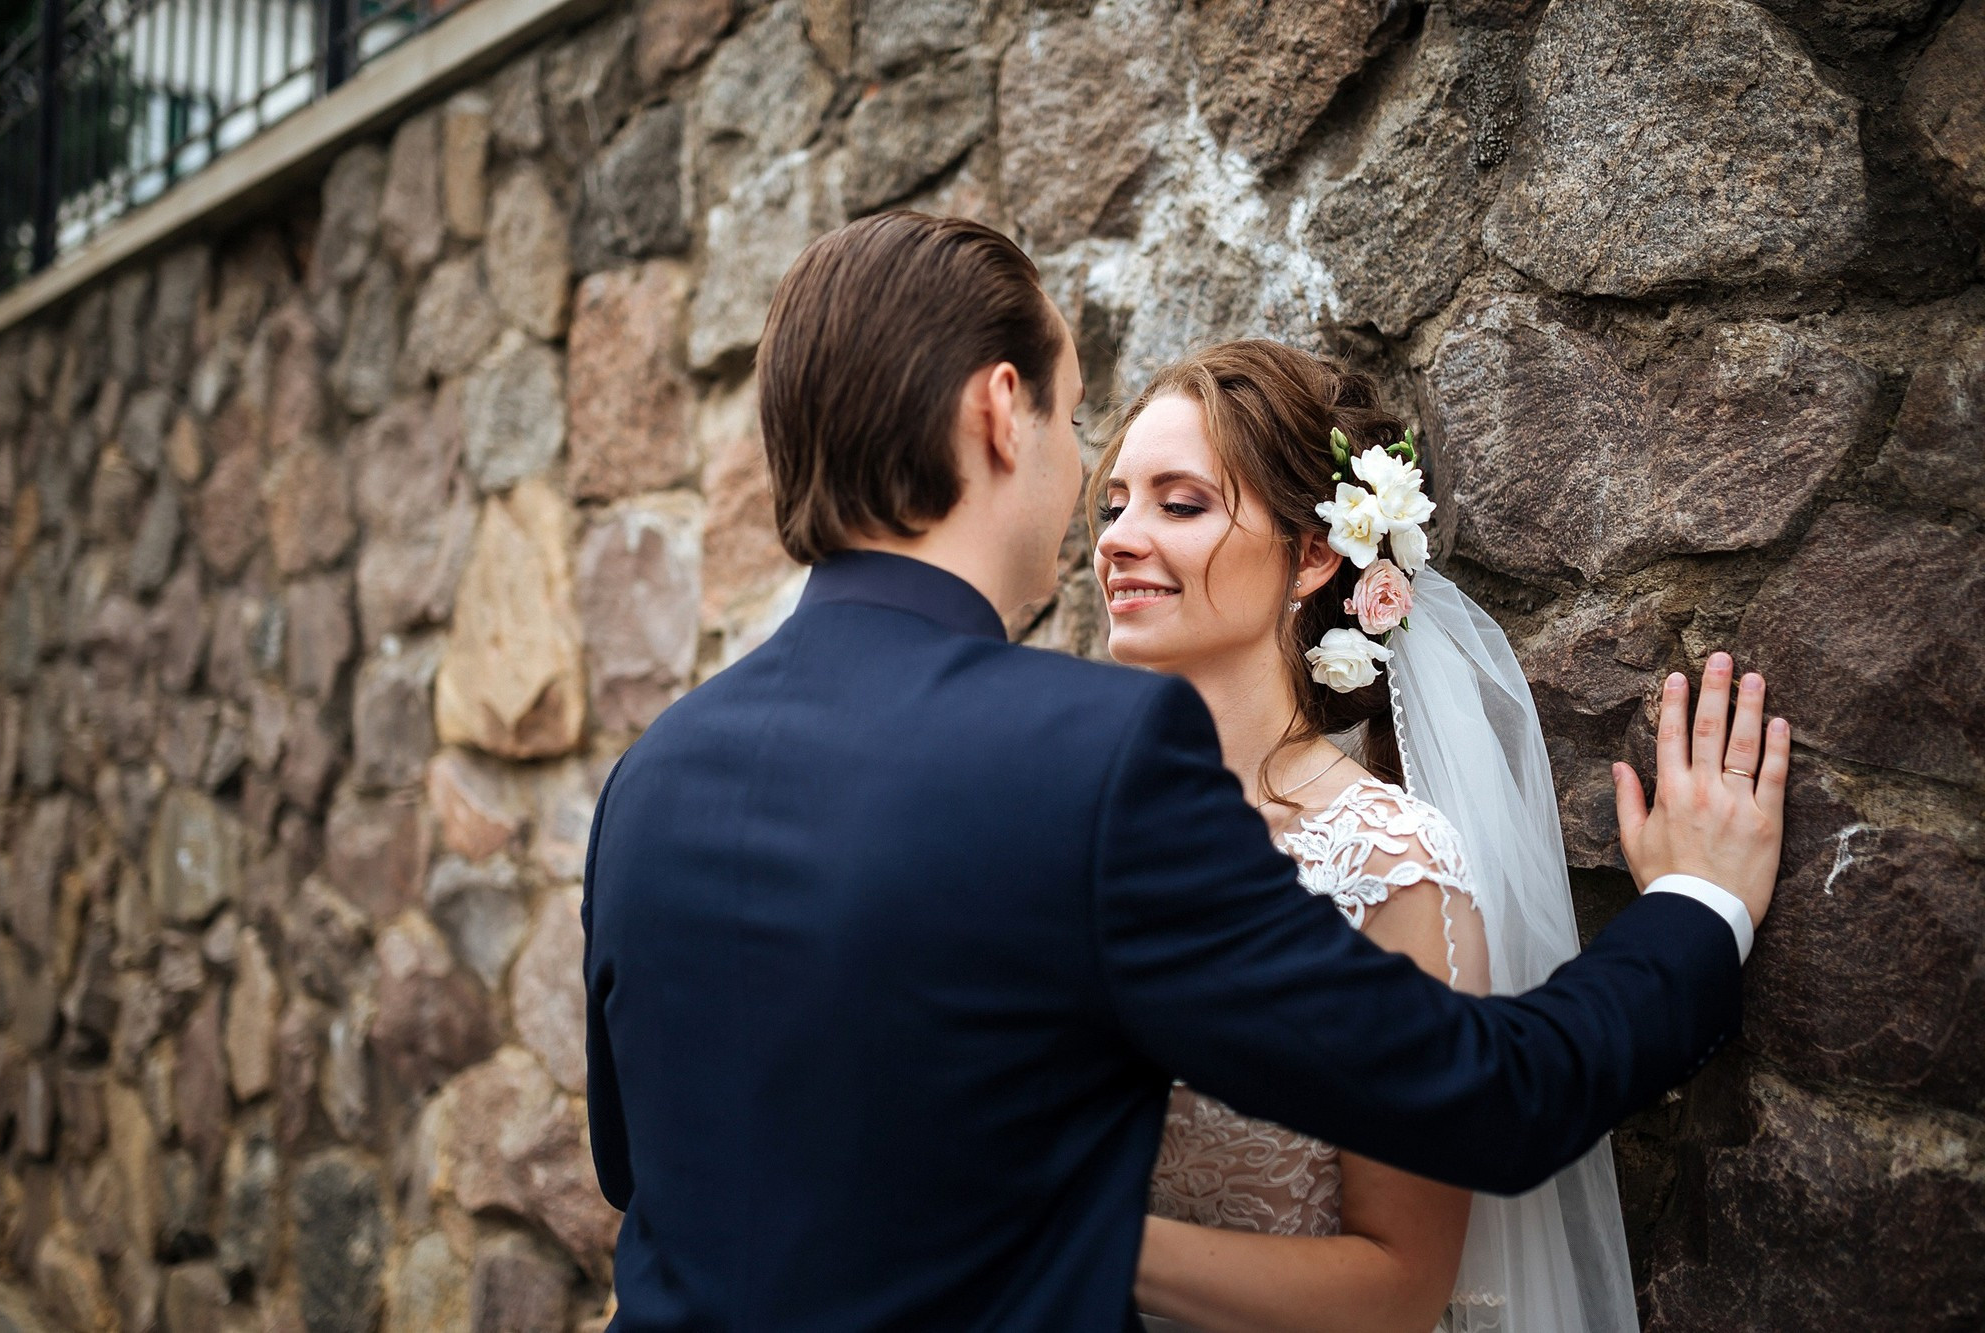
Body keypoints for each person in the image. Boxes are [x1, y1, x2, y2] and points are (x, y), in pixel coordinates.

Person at [580, 211, 1789, 1331]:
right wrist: (1694, 913)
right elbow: (1491, 1096)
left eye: (1174, 500)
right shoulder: (1089, 758)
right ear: (1002, 411)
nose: (1097, 517)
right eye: (1069, 427)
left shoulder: (650, 780)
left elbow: (640, 1170)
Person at [1096, 342, 1649, 1333]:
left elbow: (1399, 1288)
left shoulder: (1385, 860)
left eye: (1177, 505)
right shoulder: (1080, 814)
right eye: (1113, 504)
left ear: (1311, 554)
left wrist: (1077, 1234)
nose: (1119, 539)